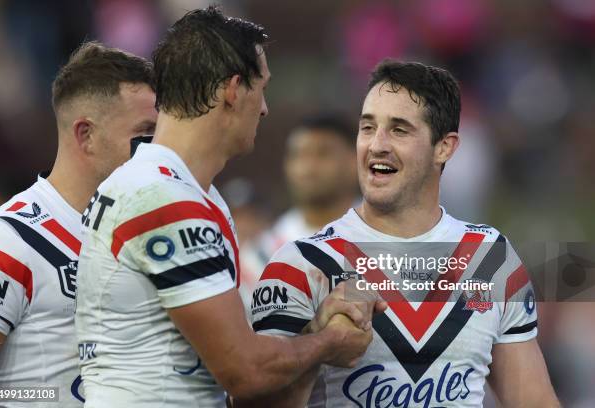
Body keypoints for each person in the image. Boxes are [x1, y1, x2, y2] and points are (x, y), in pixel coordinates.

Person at [75, 6, 381, 408]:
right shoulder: (161, 198)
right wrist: (328, 342)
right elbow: (243, 371)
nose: (266, 108)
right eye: (263, 89)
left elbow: (232, 364)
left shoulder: (187, 192)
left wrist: (312, 331)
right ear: (234, 90)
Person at [242, 61, 560, 407]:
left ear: (445, 147)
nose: (376, 145)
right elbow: (254, 400)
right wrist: (319, 339)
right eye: (367, 127)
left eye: (399, 130)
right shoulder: (301, 263)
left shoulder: (490, 259)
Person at [0, 42, 157, 407]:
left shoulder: (150, 232)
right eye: (144, 133)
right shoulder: (7, 241)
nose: (155, 150)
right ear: (85, 134)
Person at [239, 113, 359, 303]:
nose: (308, 168)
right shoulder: (262, 255)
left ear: (355, 162)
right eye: (298, 155)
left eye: (323, 154)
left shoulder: (387, 237)